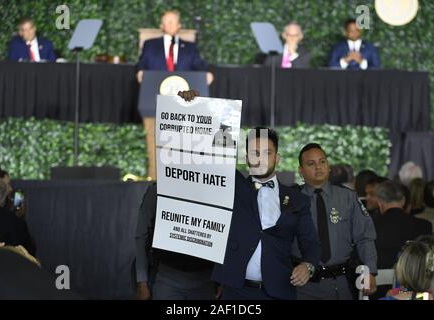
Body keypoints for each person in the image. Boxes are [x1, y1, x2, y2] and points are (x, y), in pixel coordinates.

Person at [212, 127, 320, 300]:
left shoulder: (298, 200)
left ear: (277, 158)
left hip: (280, 291)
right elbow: (212, 154)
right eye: (255, 153)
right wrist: (190, 103)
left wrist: (308, 266)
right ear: (247, 159)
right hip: (235, 292)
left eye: (267, 153)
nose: (260, 159)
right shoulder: (231, 189)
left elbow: (311, 244)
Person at [294, 143, 378, 300]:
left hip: (340, 284)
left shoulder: (348, 198)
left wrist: (370, 271)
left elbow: (364, 237)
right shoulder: (291, 199)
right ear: (301, 170)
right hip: (302, 285)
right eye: (311, 164)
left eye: (322, 162)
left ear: (329, 166)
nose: (318, 167)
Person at [136, 10, 212, 180]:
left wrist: (207, 73)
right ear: (161, 26)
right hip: (154, 103)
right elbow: (141, 64)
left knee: (182, 146)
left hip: (183, 106)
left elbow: (199, 65)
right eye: (166, 22)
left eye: (173, 21)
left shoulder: (190, 47)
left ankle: (180, 183)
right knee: (155, 144)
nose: (169, 25)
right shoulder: (150, 45)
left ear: (179, 26)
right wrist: (140, 72)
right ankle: (155, 181)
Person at [135, 183, 217, 300]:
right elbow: (142, 235)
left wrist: (223, 279)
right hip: (167, 277)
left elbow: (227, 236)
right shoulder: (158, 188)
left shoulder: (215, 189)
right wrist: (142, 282)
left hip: (206, 279)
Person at [373, 181, 431, 270]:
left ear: (379, 203)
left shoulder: (368, 226)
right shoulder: (424, 226)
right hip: (412, 279)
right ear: (403, 201)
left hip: (376, 280)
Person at [0, 178, 35, 255]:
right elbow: (27, 252)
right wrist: (18, 219)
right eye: (8, 184)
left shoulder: (11, 218)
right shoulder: (12, 220)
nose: (11, 188)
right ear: (4, 198)